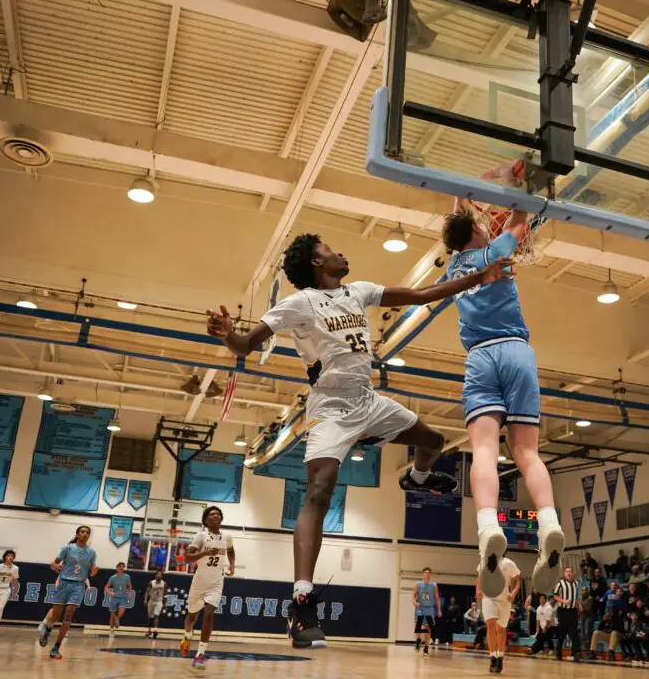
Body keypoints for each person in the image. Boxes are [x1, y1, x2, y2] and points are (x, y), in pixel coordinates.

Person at [207, 234, 508, 649]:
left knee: (434, 439)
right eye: (331, 249)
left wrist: (482, 276)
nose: (340, 251)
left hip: (367, 402)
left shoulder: (359, 291)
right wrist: (228, 334)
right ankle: (301, 600)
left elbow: (423, 293)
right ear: (316, 261)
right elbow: (245, 345)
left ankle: (419, 478)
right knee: (319, 490)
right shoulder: (299, 304)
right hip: (329, 409)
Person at [441, 193, 563, 596]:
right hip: (517, 352)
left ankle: (488, 527)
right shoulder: (494, 251)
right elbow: (520, 221)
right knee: (527, 453)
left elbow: (457, 225)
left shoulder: (454, 273)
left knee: (484, 454)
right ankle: (549, 523)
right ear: (477, 230)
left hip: (480, 358)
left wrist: (460, 195)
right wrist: (519, 191)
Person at [180, 506, 236, 670]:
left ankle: (200, 655)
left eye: (218, 513)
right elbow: (187, 558)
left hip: (216, 582)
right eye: (212, 514)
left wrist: (232, 565)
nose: (216, 515)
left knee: (209, 613)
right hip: (199, 582)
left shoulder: (227, 537)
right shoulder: (201, 536)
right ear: (206, 520)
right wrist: (205, 553)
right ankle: (187, 635)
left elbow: (231, 551)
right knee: (192, 615)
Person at [38, 526, 99, 660]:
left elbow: (91, 571)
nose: (85, 534)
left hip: (78, 585)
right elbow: (54, 563)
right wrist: (54, 565)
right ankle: (48, 630)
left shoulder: (91, 552)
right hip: (64, 582)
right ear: (77, 534)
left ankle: (56, 648)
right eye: (82, 532)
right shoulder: (68, 548)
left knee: (70, 611)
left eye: (87, 533)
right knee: (56, 615)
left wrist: (94, 571)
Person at [477, 555, 520, 674]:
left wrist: (514, 593)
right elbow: (479, 577)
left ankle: (500, 657)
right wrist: (478, 590)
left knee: (501, 629)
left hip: (504, 600)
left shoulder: (508, 563)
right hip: (488, 598)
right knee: (490, 625)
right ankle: (492, 657)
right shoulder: (484, 562)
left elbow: (517, 581)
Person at [552, 567, 581, 661]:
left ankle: (576, 652)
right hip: (563, 611)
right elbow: (555, 596)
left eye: (570, 571)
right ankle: (558, 652)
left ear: (573, 573)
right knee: (562, 633)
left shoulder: (576, 583)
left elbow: (575, 597)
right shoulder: (560, 583)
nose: (569, 573)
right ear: (564, 574)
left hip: (573, 611)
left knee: (574, 632)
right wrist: (563, 601)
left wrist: (578, 606)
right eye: (567, 571)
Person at [413, 567, 441, 655]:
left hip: (429, 608)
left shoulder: (434, 585)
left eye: (428, 572)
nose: (427, 573)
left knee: (427, 628)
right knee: (418, 625)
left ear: (430, 574)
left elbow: (437, 598)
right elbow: (413, 595)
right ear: (423, 574)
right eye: (425, 572)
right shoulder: (418, 584)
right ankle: (418, 640)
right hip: (420, 607)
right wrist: (414, 602)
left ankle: (426, 648)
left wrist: (439, 610)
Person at [104, 562, 132, 635]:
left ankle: (118, 617)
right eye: (120, 566)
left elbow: (129, 585)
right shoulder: (113, 577)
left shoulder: (127, 576)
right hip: (115, 597)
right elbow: (106, 587)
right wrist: (110, 593)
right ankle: (111, 630)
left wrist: (129, 592)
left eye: (123, 566)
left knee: (121, 612)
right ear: (117, 568)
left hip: (123, 597)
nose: (121, 568)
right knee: (112, 615)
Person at [144, 570, 166, 639]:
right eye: (158, 574)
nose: (159, 575)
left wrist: (166, 603)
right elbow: (147, 592)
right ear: (155, 575)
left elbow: (165, 594)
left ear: (162, 576)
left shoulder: (164, 583)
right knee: (150, 617)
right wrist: (145, 600)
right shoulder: (151, 583)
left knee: (156, 615)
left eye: (160, 574)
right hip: (151, 600)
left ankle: (155, 630)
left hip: (159, 601)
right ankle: (150, 630)